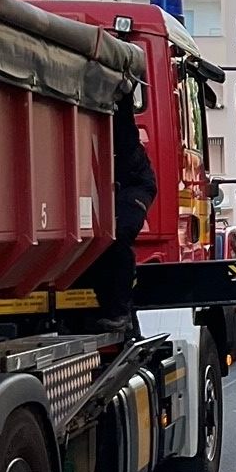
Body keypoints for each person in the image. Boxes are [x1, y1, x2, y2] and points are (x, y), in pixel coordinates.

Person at [91, 90, 159, 335]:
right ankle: (113, 309)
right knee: (95, 243)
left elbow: (125, 105)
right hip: (105, 186)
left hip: (135, 186)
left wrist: (123, 89)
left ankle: (119, 313)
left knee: (117, 235)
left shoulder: (121, 126)